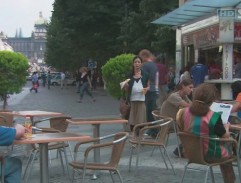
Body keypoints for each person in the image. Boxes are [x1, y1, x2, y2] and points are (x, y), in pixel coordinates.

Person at [176, 83, 235, 183]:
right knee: (228, 156)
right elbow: (225, 136)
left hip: (191, 153)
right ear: (212, 100)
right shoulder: (214, 116)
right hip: (210, 155)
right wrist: (227, 127)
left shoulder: (184, 112)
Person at [160, 78, 193, 156]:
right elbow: (189, 106)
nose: (191, 90)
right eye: (190, 87)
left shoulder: (184, 96)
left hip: (175, 120)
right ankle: (184, 149)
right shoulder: (174, 96)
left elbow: (192, 105)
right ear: (183, 86)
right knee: (190, 127)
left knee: (192, 124)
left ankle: (183, 148)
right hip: (167, 122)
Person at [123, 56, 149, 131]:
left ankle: (140, 138)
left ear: (141, 64)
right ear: (133, 64)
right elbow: (126, 89)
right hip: (132, 101)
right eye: (135, 62)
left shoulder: (145, 75)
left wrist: (147, 89)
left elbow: (149, 86)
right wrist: (126, 86)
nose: (137, 64)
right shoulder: (129, 75)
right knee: (132, 121)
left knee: (141, 121)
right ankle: (133, 138)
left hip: (142, 100)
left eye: (139, 62)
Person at [139, 49, 159, 138]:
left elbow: (142, 77)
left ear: (144, 56)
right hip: (153, 89)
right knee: (152, 111)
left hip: (148, 90)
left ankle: (154, 130)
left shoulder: (145, 65)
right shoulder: (154, 65)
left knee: (148, 112)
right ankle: (153, 130)